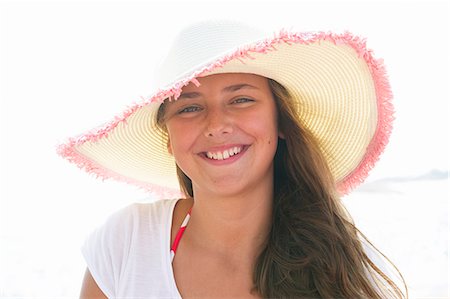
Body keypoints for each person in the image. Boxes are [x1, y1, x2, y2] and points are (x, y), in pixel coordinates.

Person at [58, 20, 407, 298]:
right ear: (170, 139)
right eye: (190, 107)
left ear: (280, 121)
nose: (216, 125)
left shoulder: (351, 274)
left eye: (241, 100)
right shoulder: (126, 242)